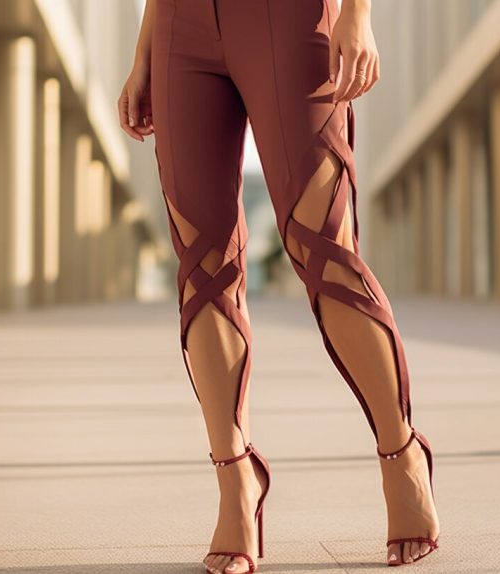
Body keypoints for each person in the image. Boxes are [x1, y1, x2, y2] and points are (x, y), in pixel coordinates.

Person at [117, 0, 439, 571]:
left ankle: (401, 451)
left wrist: (357, 14)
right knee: (203, 270)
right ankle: (236, 478)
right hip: (177, 26)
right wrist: (144, 49)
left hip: (289, 17)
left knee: (324, 251)